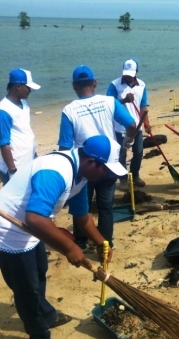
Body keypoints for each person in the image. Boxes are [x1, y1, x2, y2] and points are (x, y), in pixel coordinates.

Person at [0, 135, 126, 339]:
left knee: (39, 271)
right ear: (91, 162)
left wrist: (100, 242)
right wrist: (69, 247)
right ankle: (38, 337)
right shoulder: (56, 172)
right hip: (7, 229)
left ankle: (46, 314)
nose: (108, 176)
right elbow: (36, 219)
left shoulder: (81, 175)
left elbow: (82, 215)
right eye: (106, 170)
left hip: (31, 228)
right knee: (26, 289)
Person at [58, 65, 136, 251]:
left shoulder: (69, 110)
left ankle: (81, 242)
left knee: (81, 207)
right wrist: (128, 141)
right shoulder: (109, 102)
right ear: (94, 83)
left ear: (74, 86)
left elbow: (64, 147)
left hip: (85, 166)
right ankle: (106, 243)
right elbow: (131, 124)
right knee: (105, 206)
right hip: (108, 163)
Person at [106, 59, 150, 188]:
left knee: (139, 152)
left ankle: (135, 175)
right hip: (120, 127)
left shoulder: (142, 85)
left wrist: (146, 122)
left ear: (136, 72)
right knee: (121, 154)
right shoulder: (114, 85)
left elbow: (143, 105)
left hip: (137, 126)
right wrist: (124, 100)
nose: (128, 76)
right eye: (126, 73)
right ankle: (123, 178)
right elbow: (109, 105)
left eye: (131, 74)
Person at [0, 68, 41, 186]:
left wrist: (34, 157)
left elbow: (25, 132)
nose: (30, 90)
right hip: (15, 167)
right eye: (28, 87)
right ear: (18, 87)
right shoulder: (3, 112)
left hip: (28, 163)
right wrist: (12, 170)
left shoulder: (23, 104)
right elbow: (3, 143)